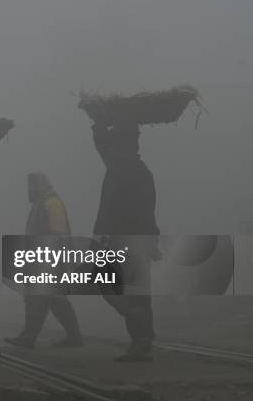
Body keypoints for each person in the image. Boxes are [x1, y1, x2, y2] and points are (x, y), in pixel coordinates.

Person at [91, 120, 161, 362]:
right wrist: (98, 123)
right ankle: (143, 338)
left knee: (126, 291)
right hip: (123, 241)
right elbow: (103, 146)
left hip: (129, 241)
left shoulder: (131, 170)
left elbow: (145, 211)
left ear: (124, 144)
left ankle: (142, 341)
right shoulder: (123, 166)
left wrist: (150, 241)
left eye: (116, 141)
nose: (111, 147)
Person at [4, 173, 83, 349]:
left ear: (40, 185)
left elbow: (58, 233)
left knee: (37, 298)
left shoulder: (51, 202)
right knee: (54, 299)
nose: (29, 190)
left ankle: (28, 338)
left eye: (32, 186)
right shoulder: (43, 202)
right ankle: (74, 337)